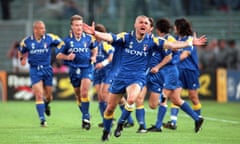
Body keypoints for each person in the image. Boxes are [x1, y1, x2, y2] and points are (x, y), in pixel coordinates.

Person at [83, 15, 206, 141]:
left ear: (150, 28)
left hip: (141, 76)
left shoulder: (154, 41)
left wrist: (189, 42)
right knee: (110, 109)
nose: (143, 24)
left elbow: (171, 45)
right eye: (140, 22)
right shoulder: (126, 37)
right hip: (122, 76)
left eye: (146, 23)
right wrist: (95, 33)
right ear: (135, 25)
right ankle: (106, 131)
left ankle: (122, 123)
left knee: (132, 100)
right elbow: (110, 36)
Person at [18, 20, 64, 127]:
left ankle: (46, 104)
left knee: (49, 96)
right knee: (39, 95)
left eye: (44, 28)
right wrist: (22, 58)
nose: (44, 30)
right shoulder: (27, 41)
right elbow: (20, 50)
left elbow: (62, 43)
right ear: (35, 29)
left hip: (47, 69)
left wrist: (60, 51)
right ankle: (42, 119)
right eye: (41, 28)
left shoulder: (50, 38)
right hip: (35, 70)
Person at [56, 15, 97, 130]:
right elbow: (58, 54)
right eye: (76, 25)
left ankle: (85, 119)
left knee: (84, 92)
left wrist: (93, 57)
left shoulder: (89, 38)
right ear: (72, 27)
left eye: (80, 25)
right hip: (74, 69)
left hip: (87, 68)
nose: (79, 27)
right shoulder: (66, 41)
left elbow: (95, 48)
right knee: (78, 95)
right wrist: (67, 57)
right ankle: (86, 114)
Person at [163, 18, 203, 130]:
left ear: (180, 27)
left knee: (193, 96)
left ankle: (198, 119)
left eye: (175, 26)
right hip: (178, 70)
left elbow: (185, 54)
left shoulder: (190, 39)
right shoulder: (175, 39)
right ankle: (173, 122)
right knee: (175, 95)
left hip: (190, 71)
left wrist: (171, 62)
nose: (174, 28)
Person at [92, 24, 115, 127]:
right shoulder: (91, 44)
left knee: (104, 94)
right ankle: (105, 119)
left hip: (107, 71)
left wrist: (103, 63)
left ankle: (111, 118)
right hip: (97, 72)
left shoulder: (105, 44)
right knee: (100, 97)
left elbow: (111, 57)